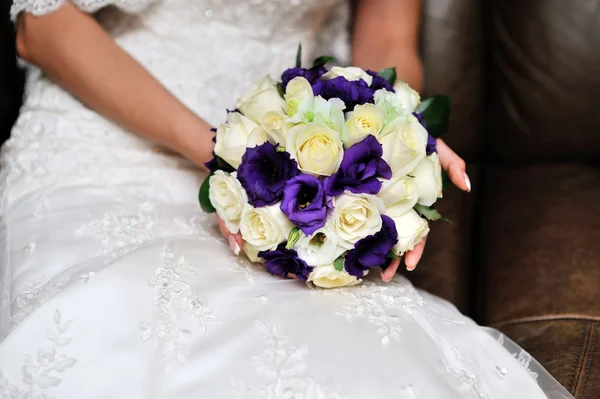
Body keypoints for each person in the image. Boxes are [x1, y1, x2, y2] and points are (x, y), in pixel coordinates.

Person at [0, 1, 572, 398]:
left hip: (288, 151)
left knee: (351, 352)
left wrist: (395, 134)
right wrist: (230, 156)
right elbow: (41, 25)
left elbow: (389, 36)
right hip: (101, 140)